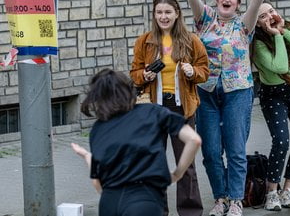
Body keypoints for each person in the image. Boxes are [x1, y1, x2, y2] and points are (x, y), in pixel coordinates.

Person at [180, 0, 273, 216]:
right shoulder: (205, 19)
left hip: (238, 92)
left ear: (237, 3)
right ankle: (219, 198)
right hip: (206, 91)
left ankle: (235, 200)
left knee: (235, 149)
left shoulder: (244, 25)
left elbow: (256, 5)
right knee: (210, 151)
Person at [71, 68, 201, 216]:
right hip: (144, 200)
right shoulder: (151, 112)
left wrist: (88, 157)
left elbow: (99, 185)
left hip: (109, 203)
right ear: (128, 90)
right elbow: (194, 139)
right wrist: (177, 173)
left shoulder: (97, 129)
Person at [129, 0, 209, 216]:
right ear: (154, 15)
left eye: (167, 12)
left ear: (177, 14)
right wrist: (144, 76)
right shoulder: (144, 41)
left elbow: (204, 70)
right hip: (153, 110)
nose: (163, 17)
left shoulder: (190, 40)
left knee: (186, 165)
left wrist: (193, 71)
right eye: (159, 12)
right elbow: (134, 72)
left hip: (181, 109)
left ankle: (190, 212)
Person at [250, 0, 290, 211]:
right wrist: (276, 36)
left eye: (271, 11)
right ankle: (271, 192)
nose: (270, 16)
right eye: (263, 16)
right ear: (257, 23)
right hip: (273, 94)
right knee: (281, 141)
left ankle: (287, 190)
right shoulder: (258, 43)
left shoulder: (286, 27)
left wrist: (283, 31)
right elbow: (280, 66)